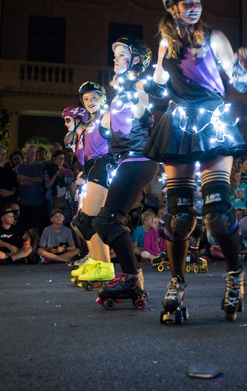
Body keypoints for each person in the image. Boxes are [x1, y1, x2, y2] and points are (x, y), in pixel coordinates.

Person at [143, 0, 247, 322]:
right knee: (178, 217)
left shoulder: (213, 37)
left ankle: (235, 277)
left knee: (218, 212)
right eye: (187, 2)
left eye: (198, 2)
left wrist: (243, 68)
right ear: (171, 6)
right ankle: (176, 282)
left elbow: (237, 80)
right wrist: (146, 81)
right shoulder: (165, 42)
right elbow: (160, 85)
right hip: (178, 124)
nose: (194, 8)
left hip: (212, 122)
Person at [92, 37, 161, 303]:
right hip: (126, 160)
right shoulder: (120, 91)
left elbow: (145, 115)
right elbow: (108, 128)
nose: (115, 59)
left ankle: (132, 280)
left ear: (136, 61)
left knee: (106, 219)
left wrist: (131, 94)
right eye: (115, 55)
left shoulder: (138, 84)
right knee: (110, 220)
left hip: (139, 159)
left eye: (122, 55)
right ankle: (132, 279)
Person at [66, 82, 115, 286]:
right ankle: (95, 262)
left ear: (103, 98)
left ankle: (103, 266)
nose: (90, 101)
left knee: (87, 221)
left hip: (102, 167)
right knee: (83, 221)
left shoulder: (106, 116)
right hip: (92, 169)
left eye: (94, 97)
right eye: (86, 99)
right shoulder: (91, 121)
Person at [16, 145, 46, 230]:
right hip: (24, 201)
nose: (33, 154)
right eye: (30, 152)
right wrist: (35, 179)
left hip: (37, 201)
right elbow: (20, 182)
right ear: (25, 153)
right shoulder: (20, 167)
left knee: (37, 227)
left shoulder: (39, 166)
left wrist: (26, 178)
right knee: (24, 227)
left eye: (34, 152)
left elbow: (41, 180)